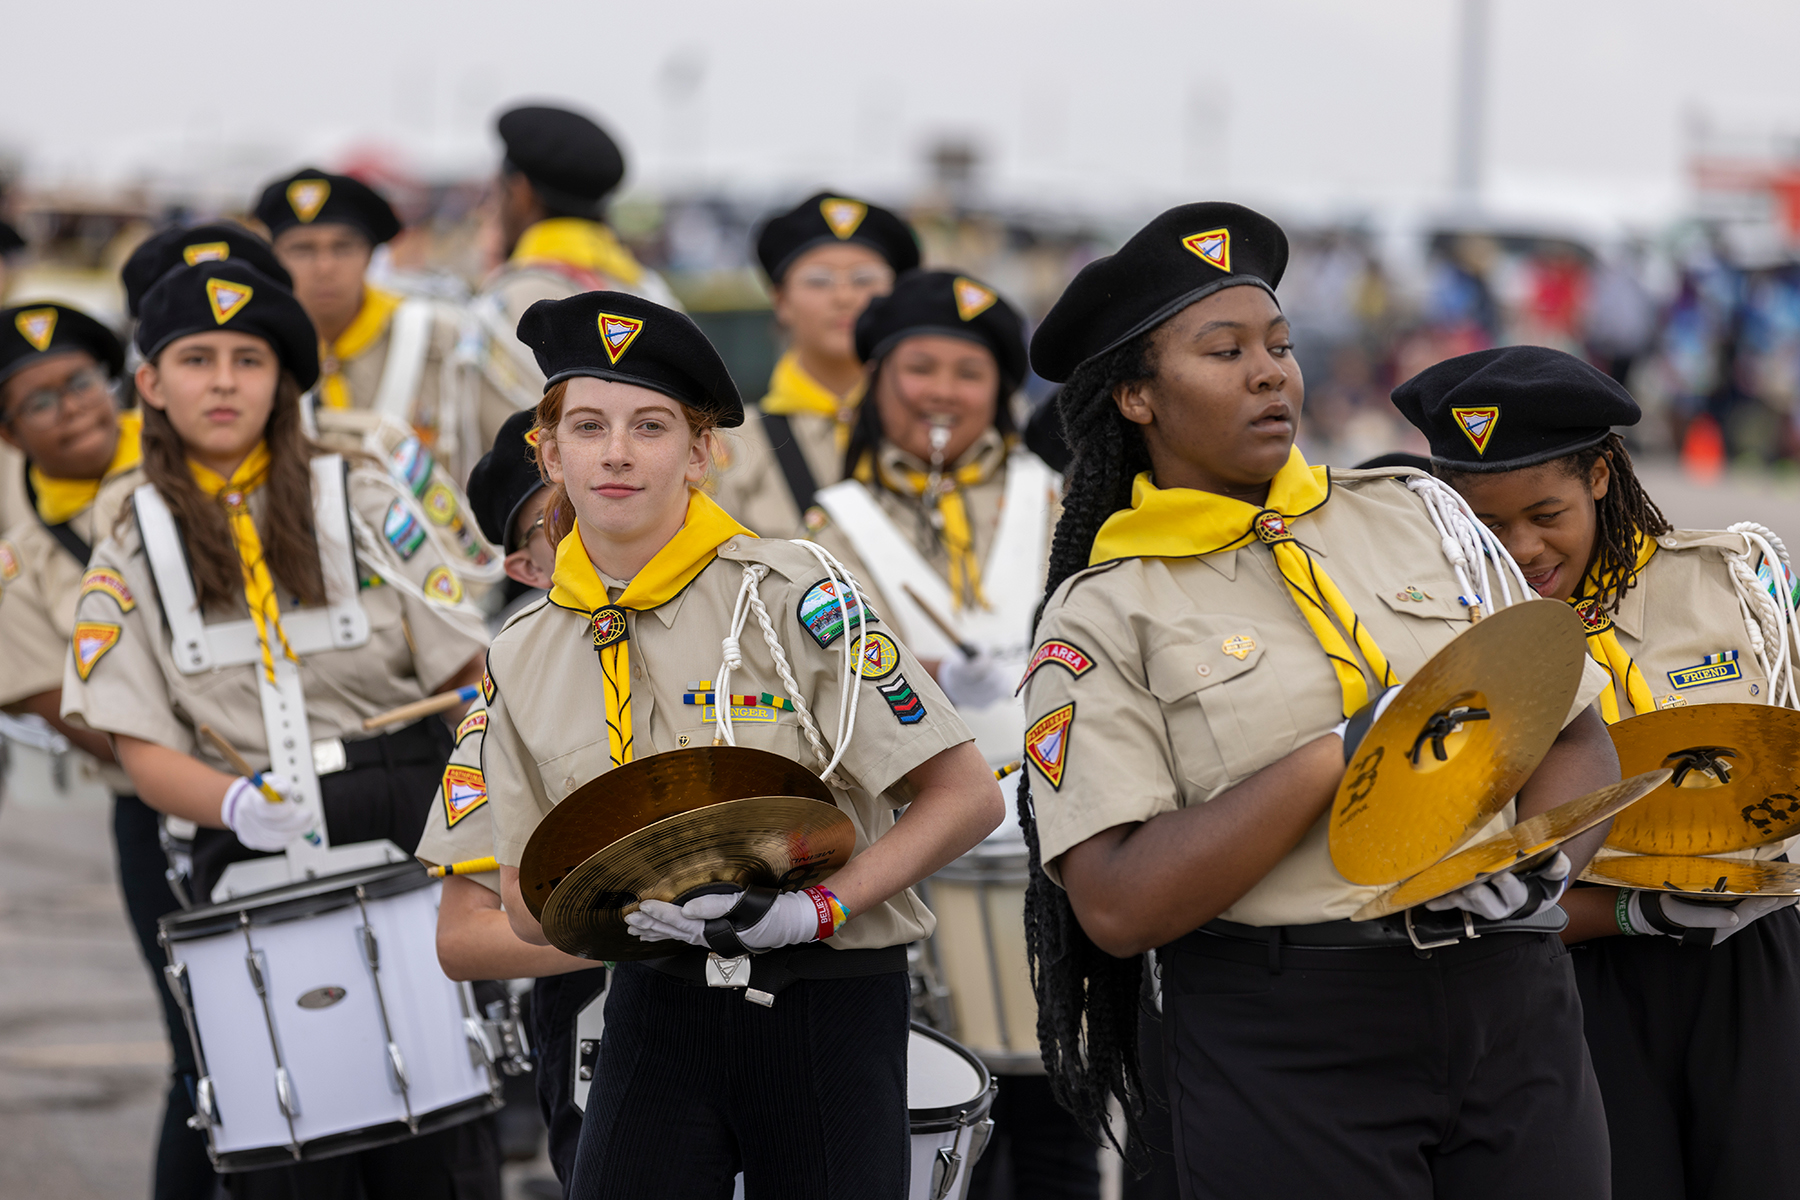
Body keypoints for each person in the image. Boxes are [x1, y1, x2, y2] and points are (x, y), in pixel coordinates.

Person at [1016, 202, 1622, 1200]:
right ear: (1135, 397)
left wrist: (1542, 864)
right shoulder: (1104, 611)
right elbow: (1117, 905)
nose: (1270, 371)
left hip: (1511, 1003)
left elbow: (1575, 726)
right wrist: (1339, 755)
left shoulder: (1420, 514)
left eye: (1282, 345)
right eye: (1225, 351)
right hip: (1292, 1031)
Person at [477, 289, 1001, 1197]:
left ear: (700, 453)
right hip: (652, 1004)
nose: (616, 453)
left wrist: (818, 909)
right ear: (548, 452)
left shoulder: (796, 593)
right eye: (588, 426)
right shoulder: (520, 653)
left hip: (826, 1002)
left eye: (650, 425)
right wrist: (611, 908)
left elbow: (965, 796)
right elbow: (524, 903)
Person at [58, 258, 502, 1199]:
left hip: (408, 825)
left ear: (286, 381)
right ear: (149, 384)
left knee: (445, 1156)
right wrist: (231, 802)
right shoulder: (128, 540)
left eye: (249, 359)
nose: (223, 381)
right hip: (247, 840)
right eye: (196, 358)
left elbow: (469, 675)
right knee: (296, 1161)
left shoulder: (370, 498)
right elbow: (139, 747)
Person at [1391, 344, 1800, 1200]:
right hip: (1566, 977)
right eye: (1487, 527)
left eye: (1546, 513)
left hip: (1748, 967)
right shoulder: (1436, 639)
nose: (1522, 549)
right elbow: (1460, 883)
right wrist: (1631, 910)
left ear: (1605, 476)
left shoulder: (1733, 583)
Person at [800, 269, 1090, 1197]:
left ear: (1000, 392)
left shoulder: (1062, 501)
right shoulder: (825, 524)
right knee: (925, 1127)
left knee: (1061, 1131)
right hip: (914, 849)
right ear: (877, 380)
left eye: (967, 373)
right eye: (918, 366)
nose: (940, 392)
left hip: (1059, 842)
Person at [0, 301, 217, 1199]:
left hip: (306, 777)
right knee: (200, 1050)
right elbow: (59, 703)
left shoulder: (199, 463)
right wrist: (202, 757)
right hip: (159, 809)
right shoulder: (14, 552)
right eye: (39, 402)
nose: (74, 407)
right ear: (10, 431)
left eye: (83, 381)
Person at [416, 407, 604, 1188]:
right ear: (527, 570)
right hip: (604, 1019)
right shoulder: (513, 691)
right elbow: (462, 940)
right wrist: (645, 941)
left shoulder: (761, 613)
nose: (598, 516)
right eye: (558, 518)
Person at [254, 168, 495, 481]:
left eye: (342, 247)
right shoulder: (254, 345)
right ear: (275, 259)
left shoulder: (437, 336)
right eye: (303, 249)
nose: (324, 267)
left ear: (370, 256)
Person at [465, 104, 678, 457]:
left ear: (520, 193)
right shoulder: (650, 290)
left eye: (497, 193)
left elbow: (515, 456)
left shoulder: (513, 301)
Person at [710, 192, 919, 536]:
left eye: (864, 280)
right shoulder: (732, 448)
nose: (844, 297)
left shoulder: (937, 433)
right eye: (819, 281)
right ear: (780, 300)